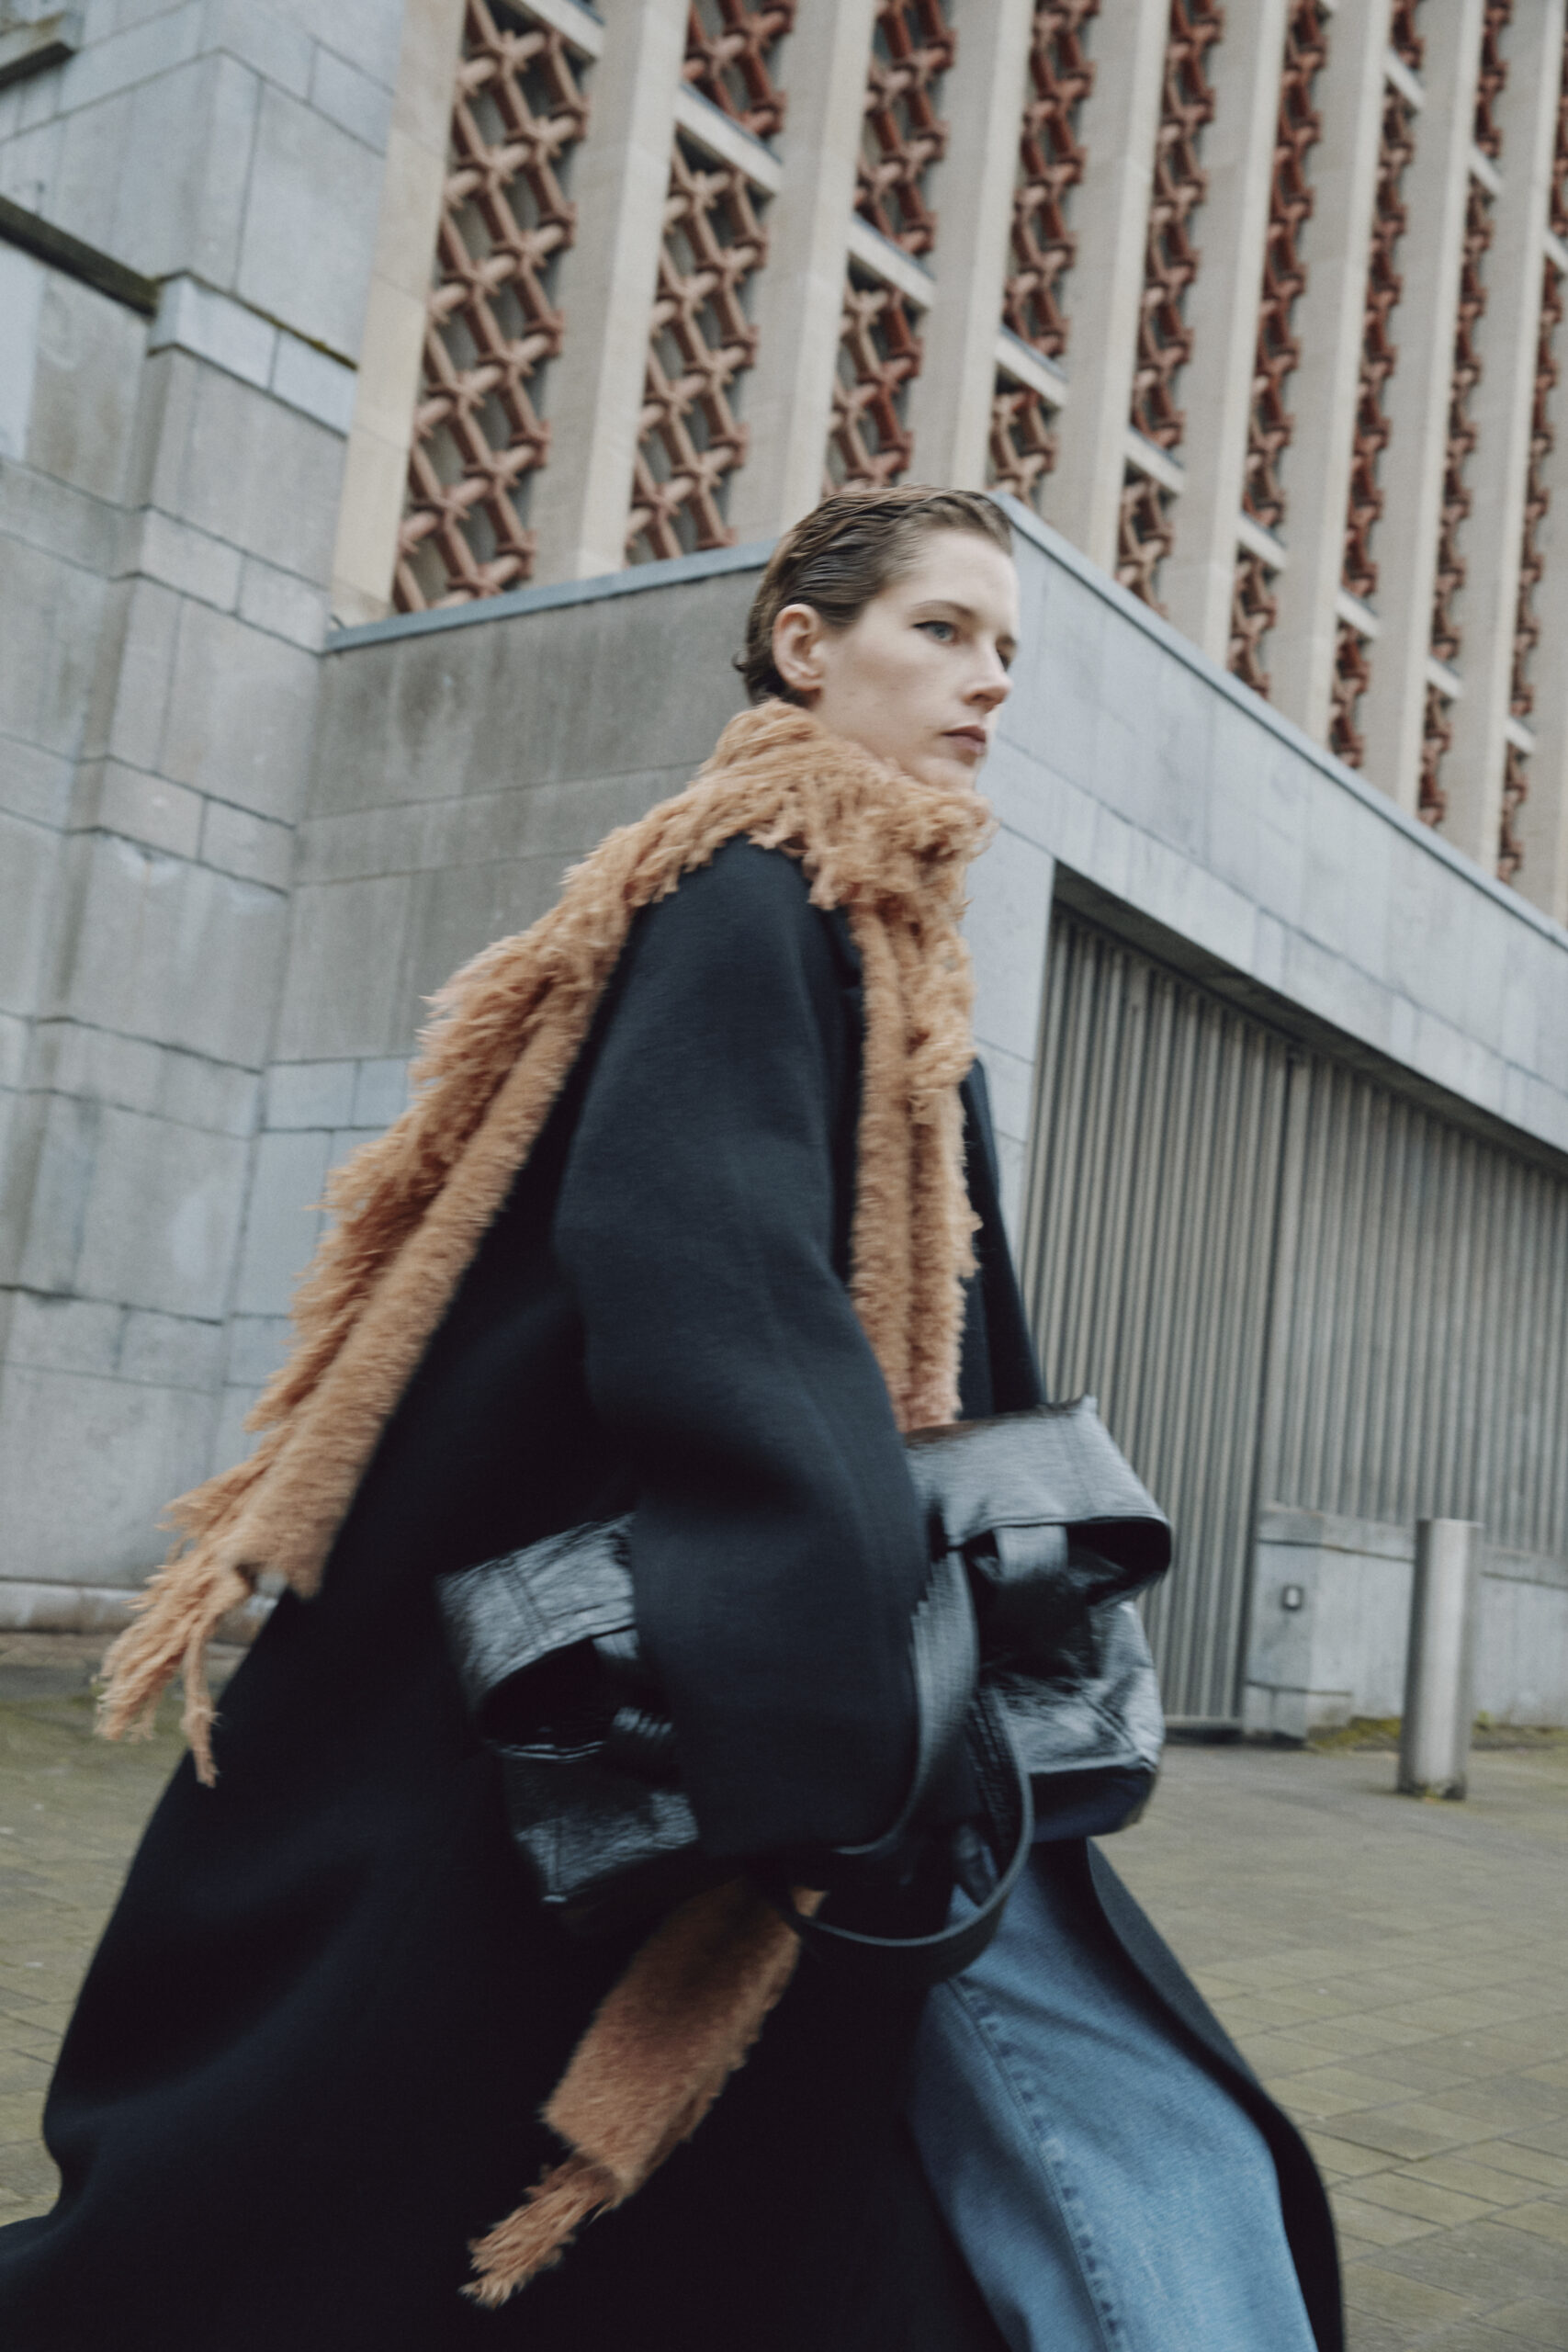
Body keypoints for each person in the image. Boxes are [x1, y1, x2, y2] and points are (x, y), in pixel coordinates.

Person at [0, 488, 1340, 2352]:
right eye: (942, 631)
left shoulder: (870, 918)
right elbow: (711, 1285)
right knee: (1124, 2151)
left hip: (840, 1683)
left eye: (1007, 649)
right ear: (805, 645)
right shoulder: (753, 889)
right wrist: (825, 1716)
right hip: (814, 1695)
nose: (988, 681)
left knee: (1072, 2151)